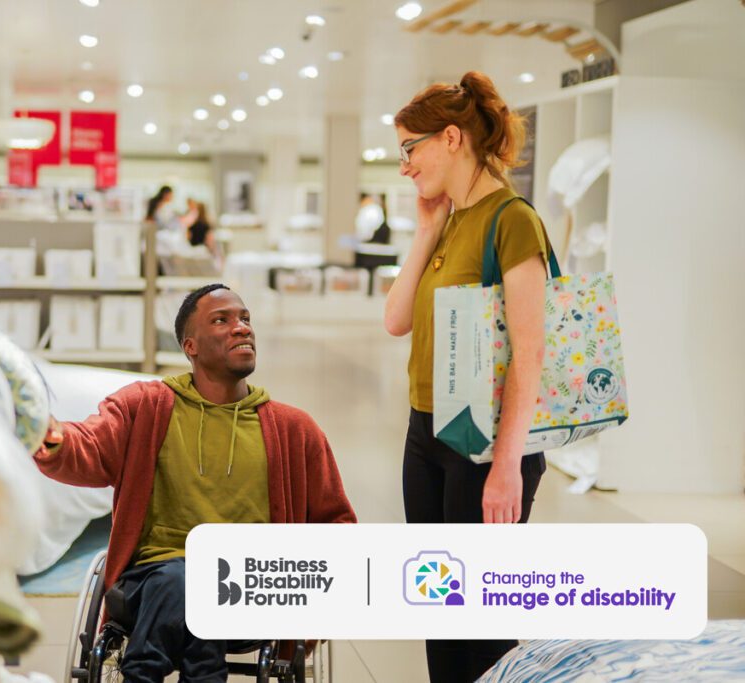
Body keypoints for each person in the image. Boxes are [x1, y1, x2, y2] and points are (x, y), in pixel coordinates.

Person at [33, 284, 356, 682]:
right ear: (190, 347)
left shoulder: (294, 430)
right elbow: (90, 444)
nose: (241, 328)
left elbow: (336, 526)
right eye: (222, 320)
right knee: (183, 578)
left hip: (248, 586)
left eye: (245, 319)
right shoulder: (145, 406)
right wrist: (53, 437)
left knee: (202, 578)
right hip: (151, 580)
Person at [383, 71, 552, 682]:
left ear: (450, 138)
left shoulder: (512, 219)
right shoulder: (449, 221)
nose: (404, 166)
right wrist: (426, 230)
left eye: (410, 148)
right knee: (440, 609)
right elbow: (396, 320)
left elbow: (530, 353)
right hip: (426, 433)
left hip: (485, 446)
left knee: (480, 623)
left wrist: (507, 465)